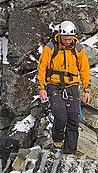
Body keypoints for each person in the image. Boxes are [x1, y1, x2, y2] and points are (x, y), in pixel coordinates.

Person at [37, 21, 91, 154]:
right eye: (65, 39)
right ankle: (57, 142)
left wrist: (86, 89)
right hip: (54, 84)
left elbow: (84, 70)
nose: (68, 41)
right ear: (60, 35)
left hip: (72, 85)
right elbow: (42, 67)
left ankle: (70, 151)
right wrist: (41, 87)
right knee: (60, 115)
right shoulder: (50, 48)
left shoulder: (78, 49)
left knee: (73, 117)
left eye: (70, 39)